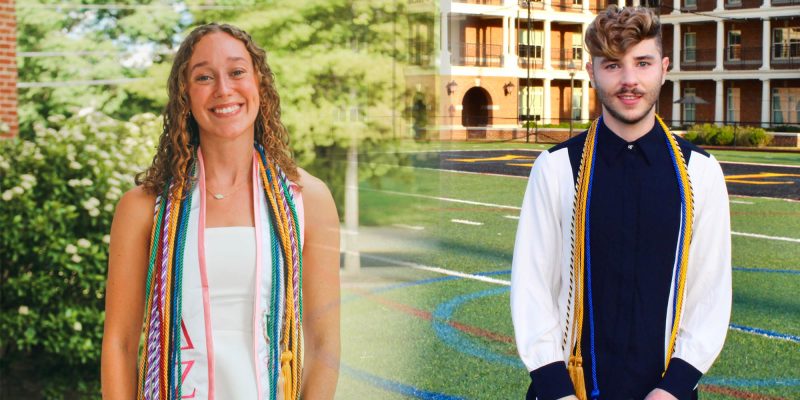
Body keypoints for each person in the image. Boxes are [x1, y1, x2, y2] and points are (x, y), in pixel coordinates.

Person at [101, 23, 340, 400]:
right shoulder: (145, 208)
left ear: (258, 83)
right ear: (186, 96)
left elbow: (324, 344)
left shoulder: (305, 201)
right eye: (204, 77)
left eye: (237, 72)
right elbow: (120, 343)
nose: (223, 89)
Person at [510, 6, 731, 400]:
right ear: (591, 71)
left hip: (666, 393)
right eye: (612, 65)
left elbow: (709, 291)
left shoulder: (700, 172)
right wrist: (555, 388)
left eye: (642, 63)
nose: (629, 80)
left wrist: (672, 389)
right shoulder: (557, 168)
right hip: (568, 390)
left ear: (663, 68)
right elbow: (532, 286)